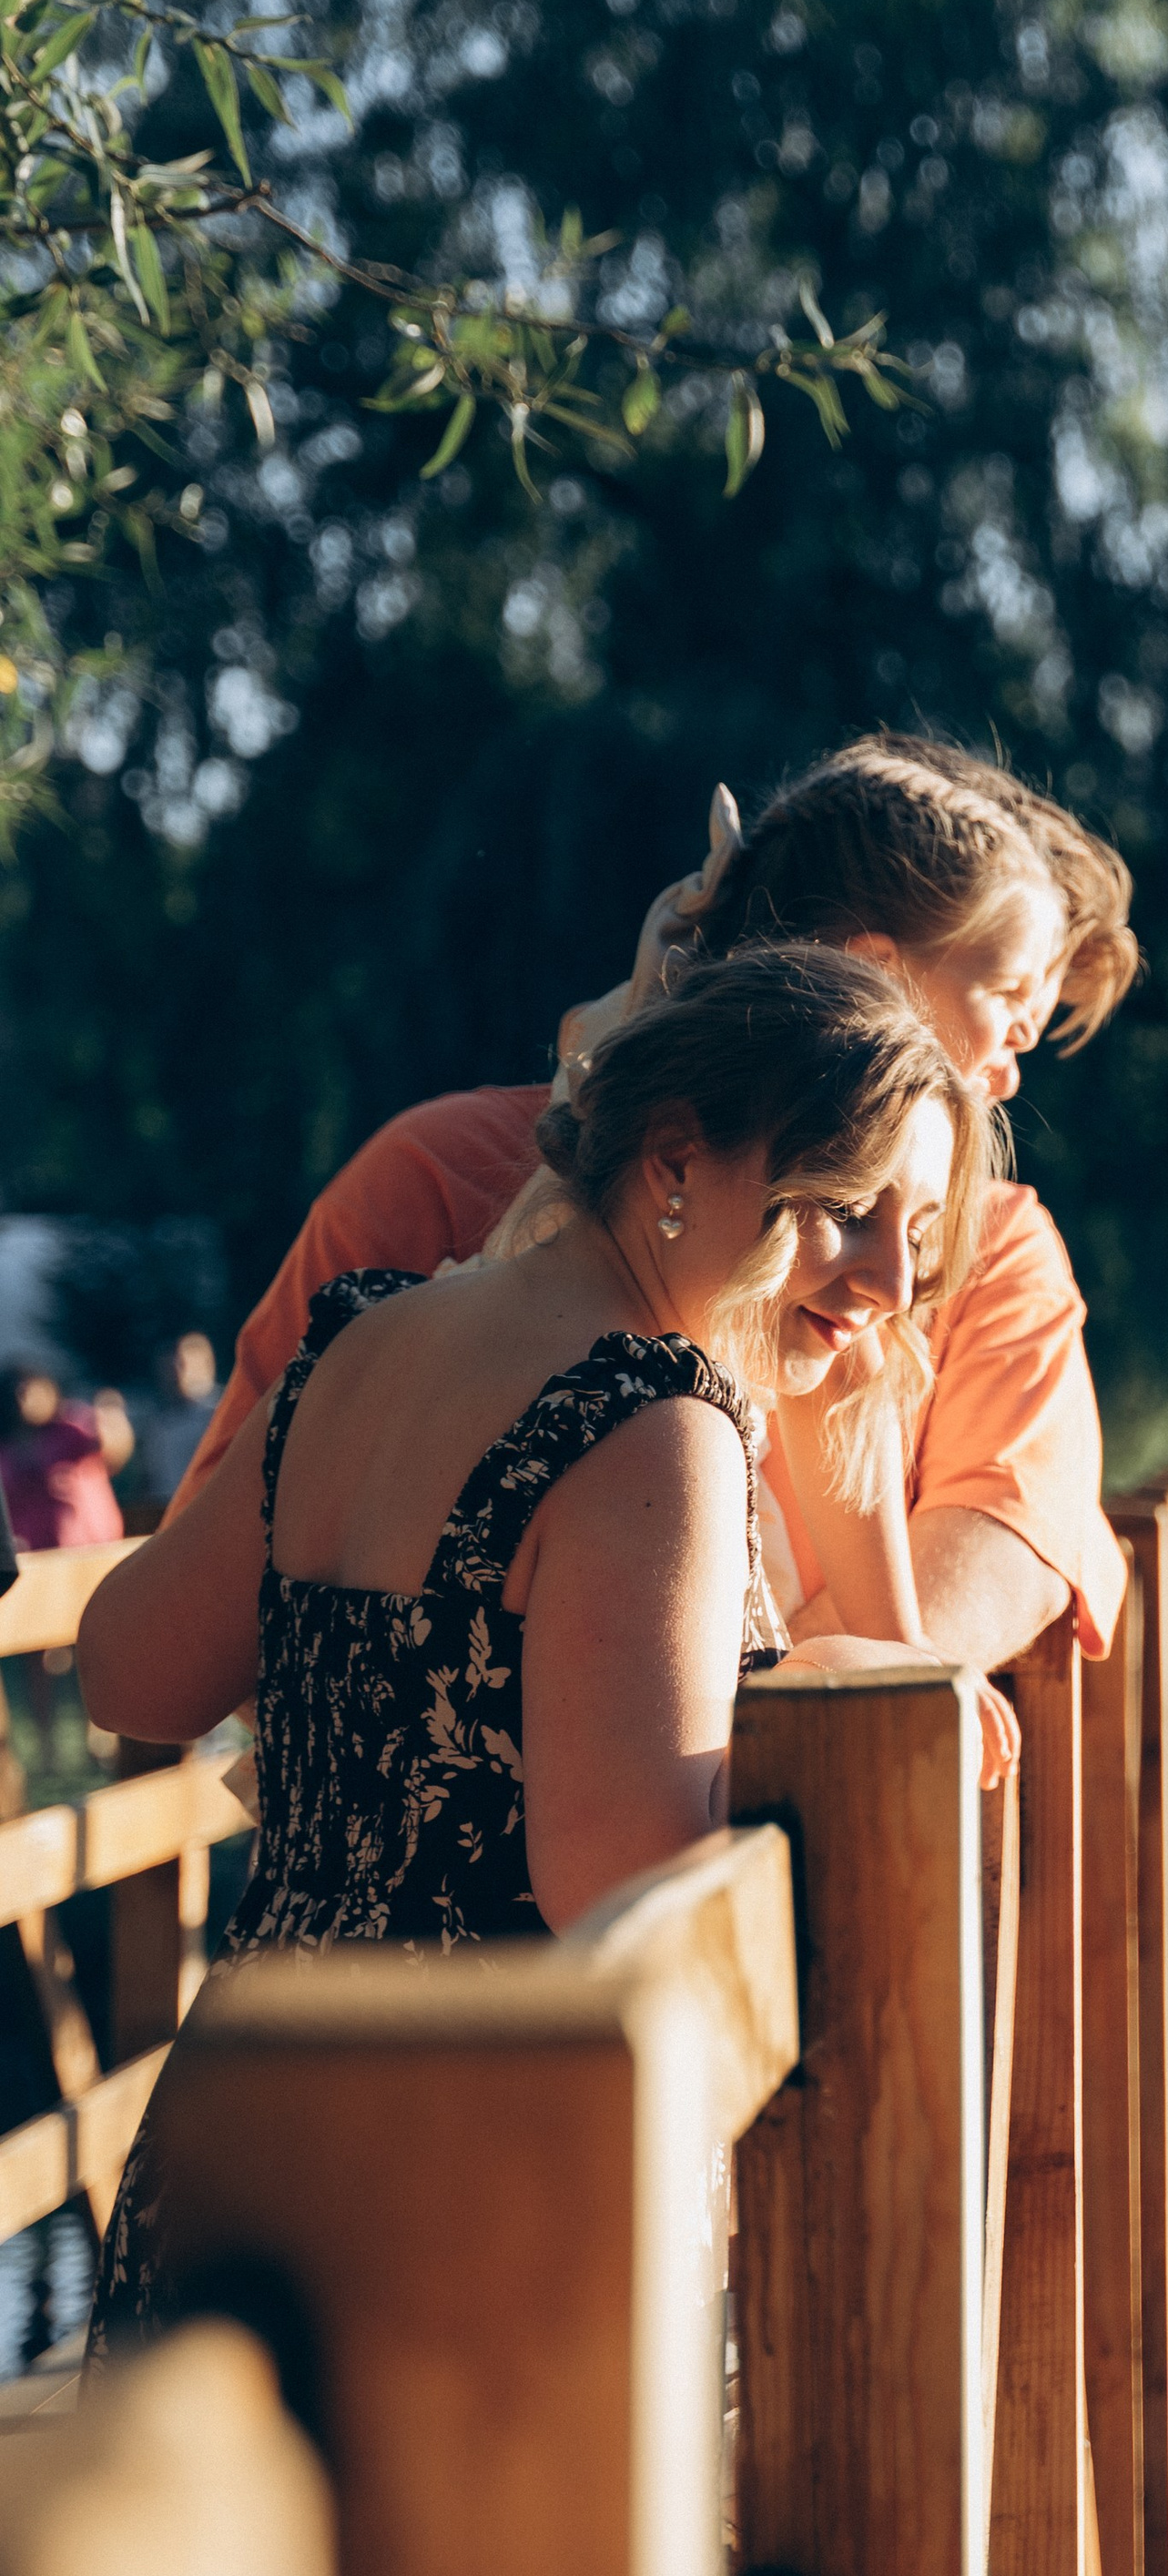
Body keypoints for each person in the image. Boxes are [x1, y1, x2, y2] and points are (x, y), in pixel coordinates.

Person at [79, 945, 1010, 2348]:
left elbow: (129, 1669)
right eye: (844, 1208)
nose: (891, 1278)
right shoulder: (656, 1430)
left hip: (234, 2146)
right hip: (474, 2199)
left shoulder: (361, 1343)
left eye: (917, 1231)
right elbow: (623, 1887)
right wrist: (819, 1691)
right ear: (676, 1160)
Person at [169, 736, 1141, 1672]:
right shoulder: (435, 1176)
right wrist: (778, 1703)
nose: (1007, 1080)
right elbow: (224, 1597)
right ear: (873, 978)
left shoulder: (988, 1251)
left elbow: (1007, 1537)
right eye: (1010, 1019)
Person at [0, 1364, 129, 1555]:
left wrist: (111, 1415)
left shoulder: (73, 1428)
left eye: (34, 1391)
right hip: (33, 1556)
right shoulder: (6, 1449)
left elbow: (115, 1452)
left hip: (92, 1548)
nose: (26, 1401)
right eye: (19, 1393)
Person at [137, 1330, 221, 1505]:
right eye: (169, 1366)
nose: (174, 1372)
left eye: (182, 1364)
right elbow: (150, 1479)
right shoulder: (158, 1423)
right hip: (166, 1510)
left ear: (206, 1364)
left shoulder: (221, 1413)